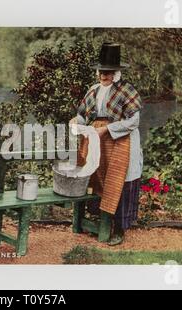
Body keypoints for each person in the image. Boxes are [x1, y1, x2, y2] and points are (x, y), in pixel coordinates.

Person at [72, 43, 143, 246]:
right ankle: (100, 223)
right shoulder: (93, 91)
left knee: (119, 179)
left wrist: (106, 129)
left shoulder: (126, 91)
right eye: (102, 71)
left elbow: (133, 121)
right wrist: (76, 121)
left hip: (121, 140)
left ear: (117, 73)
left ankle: (119, 229)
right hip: (98, 141)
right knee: (98, 176)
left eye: (109, 72)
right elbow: (83, 114)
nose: (104, 76)